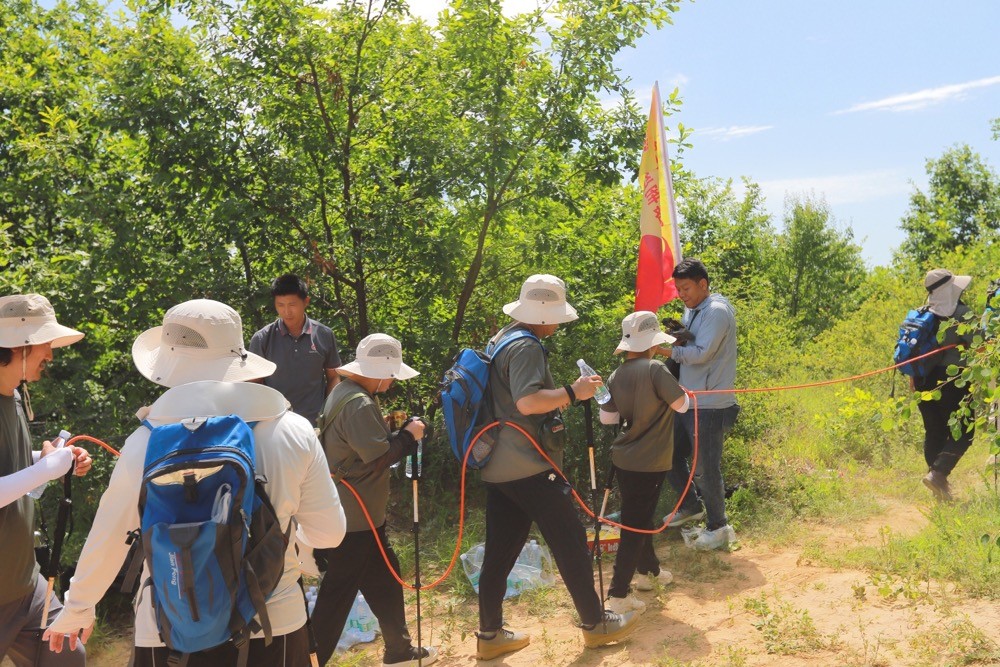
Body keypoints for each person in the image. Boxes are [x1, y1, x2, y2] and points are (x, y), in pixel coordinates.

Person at [45, 299, 347, 666]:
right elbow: (329, 534)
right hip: (273, 625)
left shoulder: (146, 441)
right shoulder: (292, 430)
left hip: (169, 630)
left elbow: (109, 535)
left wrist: (78, 608)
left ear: (168, 364)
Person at [475, 274, 639, 661]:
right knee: (570, 543)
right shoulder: (526, 346)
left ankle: (489, 634)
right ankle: (596, 624)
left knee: (499, 554)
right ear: (544, 314)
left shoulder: (501, 339)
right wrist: (573, 392)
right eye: (557, 317)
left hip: (498, 466)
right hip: (530, 464)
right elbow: (528, 402)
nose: (558, 325)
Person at [310, 333, 437, 667]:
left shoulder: (345, 391)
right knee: (336, 598)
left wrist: (398, 434)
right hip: (355, 520)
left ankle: (399, 651)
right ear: (380, 372)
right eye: (391, 374)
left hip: (362, 516)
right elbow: (379, 458)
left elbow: (363, 447)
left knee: (385, 581)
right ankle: (307, 661)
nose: (393, 381)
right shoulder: (359, 403)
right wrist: (409, 435)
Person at [0, 294, 92, 666]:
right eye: (45, 344)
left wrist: (50, 459)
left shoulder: (14, 396)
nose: (50, 355)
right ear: (18, 346)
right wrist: (46, 469)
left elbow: (11, 468)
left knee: (67, 655)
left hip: (26, 584)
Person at [599, 312, 689, 613]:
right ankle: (618, 595)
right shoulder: (656, 369)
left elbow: (607, 418)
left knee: (639, 515)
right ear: (652, 342)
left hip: (624, 459)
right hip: (650, 461)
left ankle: (649, 572)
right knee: (635, 525)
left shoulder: (616, 374)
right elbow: (682, 405)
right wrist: (684, 395)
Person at [661, 258, 740, 551]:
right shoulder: (693, 309)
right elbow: (692, 345)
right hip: (688, 398)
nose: (682, 295)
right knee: (667, 452)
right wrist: (679, 337)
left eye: (686, 289)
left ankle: (718, 527)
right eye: (679, 289)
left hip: (710, 402)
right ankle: (691, 505)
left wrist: (664, 350)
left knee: (705, 468)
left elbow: (702, 353)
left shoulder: (716, 311)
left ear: (703, 284)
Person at [912, 269, 975, 501]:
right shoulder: (962, 314)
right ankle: (938, 475)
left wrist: (913, 379)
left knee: (935, 431)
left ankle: (938, 485)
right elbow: (982, 346)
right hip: (952, 380)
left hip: (922, 380)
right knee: (965, 432)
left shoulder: (922, 315)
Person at [249, 274, 341, 426]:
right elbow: (254, 386)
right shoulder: (262, 339)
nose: (286, 311)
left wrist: (330, 412)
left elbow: (333, 377)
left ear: (306, 302)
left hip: (316, 423)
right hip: (275, 424)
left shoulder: (324, 334)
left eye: (292, 304)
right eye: (280, 305)